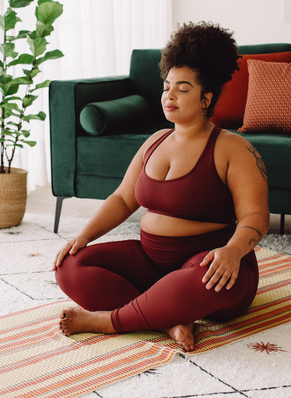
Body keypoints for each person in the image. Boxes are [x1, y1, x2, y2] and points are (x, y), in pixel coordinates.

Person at [52, 21, 269, 352]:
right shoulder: (154, 142)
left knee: (196, 282)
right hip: (151, 264)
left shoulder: (233, 149)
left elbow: (255, 216)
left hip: (212, 266)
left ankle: (108, 321)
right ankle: (168, 320)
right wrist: (84, 236)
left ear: (206, 98)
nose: (170, 96)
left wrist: (232, 251)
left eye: (183, 89)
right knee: (70, 266)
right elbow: (123, 199)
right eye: (167, 86)